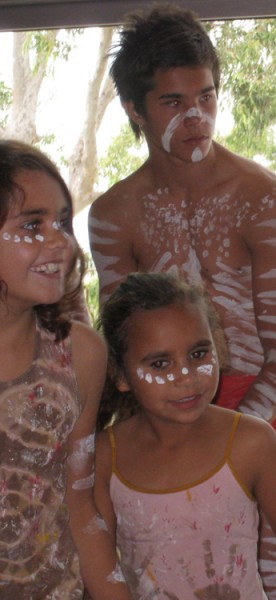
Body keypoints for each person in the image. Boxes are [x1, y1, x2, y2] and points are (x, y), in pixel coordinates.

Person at [88, 6, 276, 594]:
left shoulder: (264, 196)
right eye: (173, 102)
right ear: (134, 109)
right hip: (163, 407)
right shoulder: (113, 214)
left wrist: (230, 437)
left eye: (206, 96)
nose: (195, 117)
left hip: (266, 400)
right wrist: (167, 432)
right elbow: (125, 348)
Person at [93, 272, 276, 600]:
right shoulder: (106, 457)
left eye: (198, 354)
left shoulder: (251, 441)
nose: (186, 376)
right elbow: (97, 568)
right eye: (160, 364)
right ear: (120, 375)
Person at [0, 140, 131, 599]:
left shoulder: (80, 354)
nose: (60, 242)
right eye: (32, 225)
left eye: (62, 223)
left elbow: (80, 503)